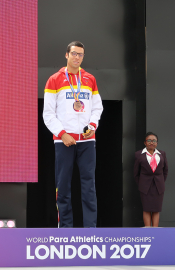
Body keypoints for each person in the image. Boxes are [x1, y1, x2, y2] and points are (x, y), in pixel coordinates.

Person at [43, 41, 103, 228]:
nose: (77, 57)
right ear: (66, 55)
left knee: (89, 186)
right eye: (74, 54)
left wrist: (92, 125)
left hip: (87, 140)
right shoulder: (54, 79)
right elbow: (48, 114)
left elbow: (97, 107)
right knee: (63, 187)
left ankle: (90, 229)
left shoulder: (89, 79)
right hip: (64, 142)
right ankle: (66, 229)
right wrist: (62, 134)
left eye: (81, 55)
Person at [133, 132, 168, 227]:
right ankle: (148, 231)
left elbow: (165, 171)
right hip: (145, 187)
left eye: (154, 141)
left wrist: (160, 182)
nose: (151, 143)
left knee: (156, 209)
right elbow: (136, 173)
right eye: (149, 140)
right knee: (147, 209)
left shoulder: (162, 154)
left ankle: (155, 231)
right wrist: (141, 184)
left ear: (157, 143)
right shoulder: (138, 154)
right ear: (145, 142)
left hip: (158, 187)